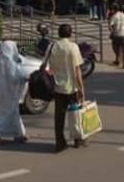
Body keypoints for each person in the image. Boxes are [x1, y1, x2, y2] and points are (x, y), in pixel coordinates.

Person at [48, 24, 86, 152]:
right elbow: (77, 70)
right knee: (75, 115)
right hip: (72, 87)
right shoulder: (73, 47)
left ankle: (60, 142)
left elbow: (51, 68)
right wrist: (81, 88)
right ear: (70, 34)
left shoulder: (53, 47)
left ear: (59, 33)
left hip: (58, 87)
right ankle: (77, 139)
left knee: (59, 117)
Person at [0, 41, 28, 146]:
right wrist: (24, 78)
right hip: (9, 93)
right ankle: (19, 135)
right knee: (13, 113)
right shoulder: (10, 63)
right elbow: (14, 76)